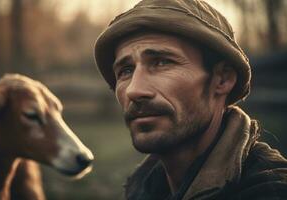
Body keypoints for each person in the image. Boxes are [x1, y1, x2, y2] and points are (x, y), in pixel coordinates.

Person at [94, 0, 287, 199]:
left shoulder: (270, 191)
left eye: (161, 62)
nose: (134, 90)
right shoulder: (144, 186)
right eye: (125, 70)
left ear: (222, 79)